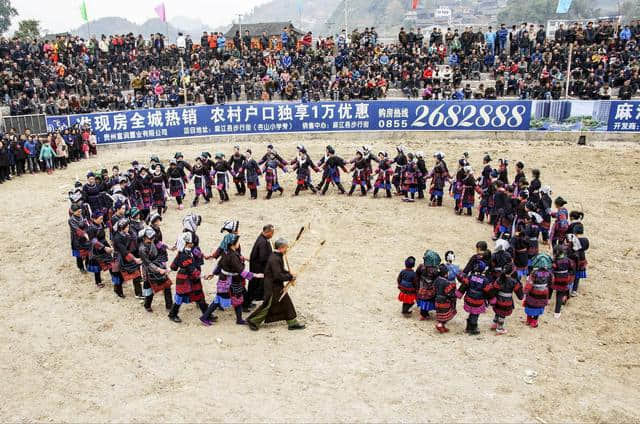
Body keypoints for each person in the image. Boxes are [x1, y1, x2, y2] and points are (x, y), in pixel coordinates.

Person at [201, 234, 263, 326]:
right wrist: (256, 275)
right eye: (237, 242)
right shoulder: (233, 256)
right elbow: (241, 272)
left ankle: (239, 319)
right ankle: (205, 317)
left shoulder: (226, 252)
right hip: (230, 283)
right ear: (233, 244)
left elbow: (220, 265)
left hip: (226, 281)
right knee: (219, 300)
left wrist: (213, 274)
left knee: (236, 300)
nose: (239, 243)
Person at [247, 238, 305, 331]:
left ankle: (292, 323)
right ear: (281, 247)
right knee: (268, 305)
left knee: (286, 303)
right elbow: (277, 275)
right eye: (286, 247)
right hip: (272, 286)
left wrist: (289, 274)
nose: (287, 249)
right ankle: (253, 321)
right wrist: (289, 277)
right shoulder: (275, 258)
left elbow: (280, 270)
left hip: (275, 285)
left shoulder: (277, 256)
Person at [168, 232, 208, 323]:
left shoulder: (184, 252)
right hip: (185, 279)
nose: (192, 243)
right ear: (186, 243)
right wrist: (202, 276)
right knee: (180, 297)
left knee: (199, 295)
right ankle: (172, 314)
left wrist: (170, 269)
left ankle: (206, 314)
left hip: (189, 278)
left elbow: (174, 265)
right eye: (190, 242)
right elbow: (191, 270)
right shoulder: (185, 255)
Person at [138, 226, 173, 313]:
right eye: (151, 237)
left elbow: (160, 244)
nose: (153, 239)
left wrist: (169, 247)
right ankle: (147, 305)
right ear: (145, 237)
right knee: (149, 289)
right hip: (148, 270)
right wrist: (158, 269)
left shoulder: (153, 241)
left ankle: (169, 305)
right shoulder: (142, 249)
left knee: (167, 285)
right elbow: (148, 263)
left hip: (158, 264)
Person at [456, 259, 492, 335]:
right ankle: (473, 329)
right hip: (478, 301)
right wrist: (492, 299)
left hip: (469, 298)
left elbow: (464, 286)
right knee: (475, 315)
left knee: (472, 313)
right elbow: (488, 292)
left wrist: (459, 293)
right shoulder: (485, 280)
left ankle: (468, 327)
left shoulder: (470, 277)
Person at [488, 264, 523, 334]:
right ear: (512, 272)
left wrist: (492, 298)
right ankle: (499, 328)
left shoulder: (499, 279)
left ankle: (494, 324)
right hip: (507, 300)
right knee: (502, 314)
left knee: (498, 311)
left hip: (498, 299)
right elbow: (520, 295)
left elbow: (494, 290)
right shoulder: (514, 281)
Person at [245, 224, 274, 311]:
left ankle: (248, 302)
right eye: (272, 233)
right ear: (268, 232)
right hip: (258, 268)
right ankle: (246, 304)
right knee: (254, 285)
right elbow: (263, 257)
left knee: (254, 285)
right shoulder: (263, 242)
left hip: (256, 267)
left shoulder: (263, 239)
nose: (272, 235)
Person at [523, 253, 552, 328]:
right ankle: (534, 322)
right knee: (539, 306)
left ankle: (528, 320)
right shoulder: (549, 273)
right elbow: (551, 283)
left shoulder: (534, 273)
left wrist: (525, 291)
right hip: (544, 292)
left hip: (533, 292)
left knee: (530, 304)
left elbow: (529, 283)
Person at [549, 245, 575, 318]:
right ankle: (557, 313)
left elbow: (551, 269)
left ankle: (547, 300)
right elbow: (572, 269)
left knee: (550, 287)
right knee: (559, 296)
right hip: (564, 279)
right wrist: (568, 275)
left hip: (555, 279)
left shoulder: (554, 261)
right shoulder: (568, 260)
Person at [416, 250, 440, 320]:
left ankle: (423, 314)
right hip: (431, 289)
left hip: (422, 288)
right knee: (429, 301)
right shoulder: (435, 270)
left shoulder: (421, 267)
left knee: (423, 302)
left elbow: (417, 274)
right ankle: (425, 313)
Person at [434, 263, 457, 333]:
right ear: (446, 274)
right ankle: (440, 325)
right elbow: (449, 293)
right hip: (444, 301)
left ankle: (442, 326)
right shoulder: (446, 282)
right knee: (445, 314)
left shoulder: (437, 280)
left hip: (437, 300)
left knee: (440, 313)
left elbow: (434, 289)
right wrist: (453, 297)